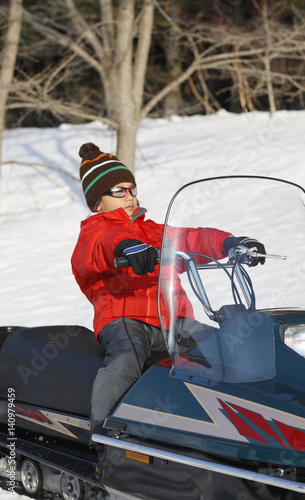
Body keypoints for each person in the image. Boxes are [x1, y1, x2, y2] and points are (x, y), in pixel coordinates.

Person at [71, 142, 266, 442]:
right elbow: (101, 246)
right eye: (119, 191)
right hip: (125, 317)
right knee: (125, 358)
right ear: (98, 202)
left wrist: (229, 244)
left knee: (222, 345)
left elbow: (191, 239)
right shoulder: (94, 231)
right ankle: (105, 436)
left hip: (173, 320)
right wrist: (127, 248)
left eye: (132, 189)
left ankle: (246, 422)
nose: (130, 197)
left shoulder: (152, 230)